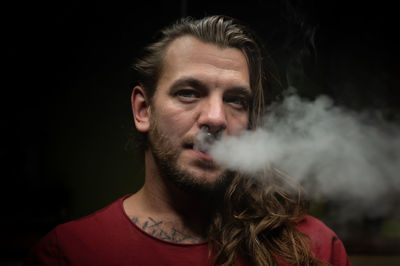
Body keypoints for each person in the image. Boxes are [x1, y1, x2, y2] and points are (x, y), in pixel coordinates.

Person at [25, 15, 351, 266]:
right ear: (143, 110)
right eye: (188, 93)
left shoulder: (314, 248)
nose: (215, 118)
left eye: (236, 100)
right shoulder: (68, 253)